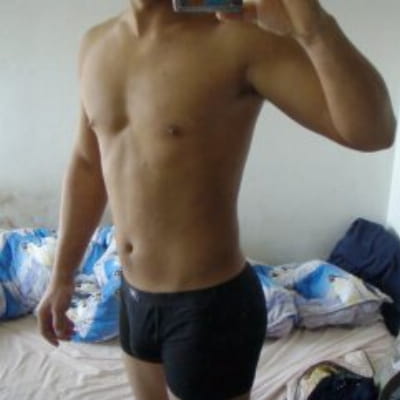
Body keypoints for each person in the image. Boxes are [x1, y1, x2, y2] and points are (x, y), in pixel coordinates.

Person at [37, 0, 396, 399]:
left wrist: (314, 27)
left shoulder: (236, 37)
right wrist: (62, 276)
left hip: (208, 307)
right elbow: (88, 165)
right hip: (134, 295)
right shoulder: (96, 44)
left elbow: (374, 132)